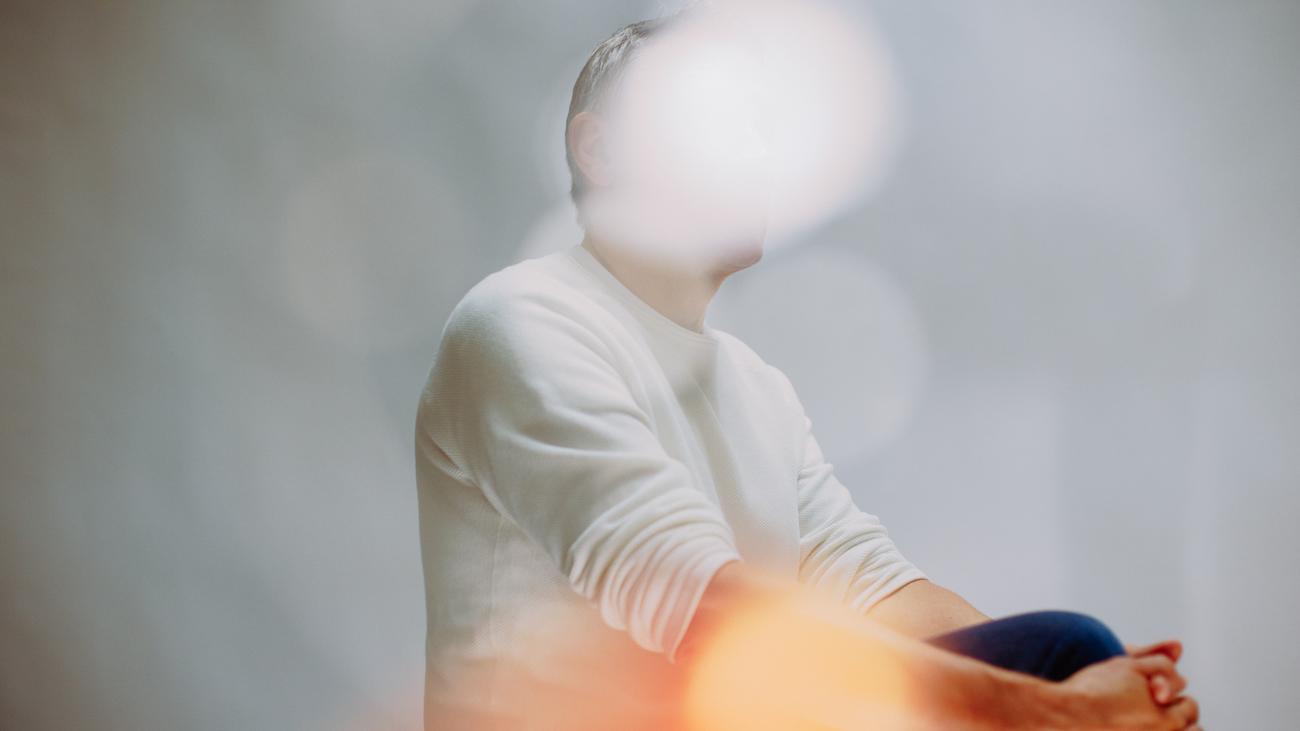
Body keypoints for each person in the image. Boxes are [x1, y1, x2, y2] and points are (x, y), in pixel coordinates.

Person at [415, 8, 1201, 730]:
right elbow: (705, 612)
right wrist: (1051, 709)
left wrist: (1088, 685)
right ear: (600, 149)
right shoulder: (521, 320)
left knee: (1067, 647)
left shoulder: (756, 387)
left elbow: (880, 591)